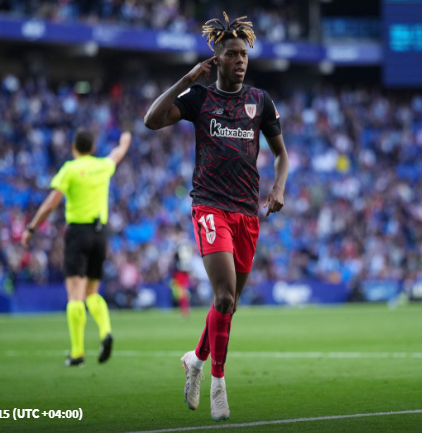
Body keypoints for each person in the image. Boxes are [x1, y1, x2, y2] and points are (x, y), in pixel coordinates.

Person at [144, 12, 289, 422]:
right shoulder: (200, 98)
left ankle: (195, 358)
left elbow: (281, 154)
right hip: (209, 206)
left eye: (244, 54)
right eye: (232, 54)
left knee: (230, 304)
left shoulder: (260, 101)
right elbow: (151, 120)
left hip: (247, 212)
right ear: (217, 58)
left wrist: (278, 187)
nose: (240, 60)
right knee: (224, 296)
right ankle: (218, 382)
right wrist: (186, 80)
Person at [21, 128, 131, 366]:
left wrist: (31, 227)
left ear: (74, 147)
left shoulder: (70, 169)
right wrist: (125, 140)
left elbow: (51, 204)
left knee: (75, 295)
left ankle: (77, 353)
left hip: (78, 233)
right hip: (100, 234)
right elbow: (118, 154)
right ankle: (106, 331)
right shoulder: (103, 166)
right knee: (92, 292)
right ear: (93, 148)